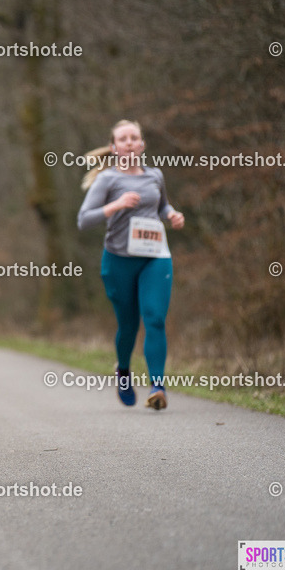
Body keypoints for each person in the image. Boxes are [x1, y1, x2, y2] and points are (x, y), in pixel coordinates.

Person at [77, 120, 185, 410]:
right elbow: (84, 219)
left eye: (134, 137)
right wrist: (116, 205)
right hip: (118, 261)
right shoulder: (107, 179)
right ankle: (123, 371)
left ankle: (158, 387)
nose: (128, 142)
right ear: (114, 147)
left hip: (155, 256)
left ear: (142, 144)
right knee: (128, 325)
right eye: (123, 139)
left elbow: (162, 206)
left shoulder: (155, 175)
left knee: (155, 318)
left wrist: (172, 214)